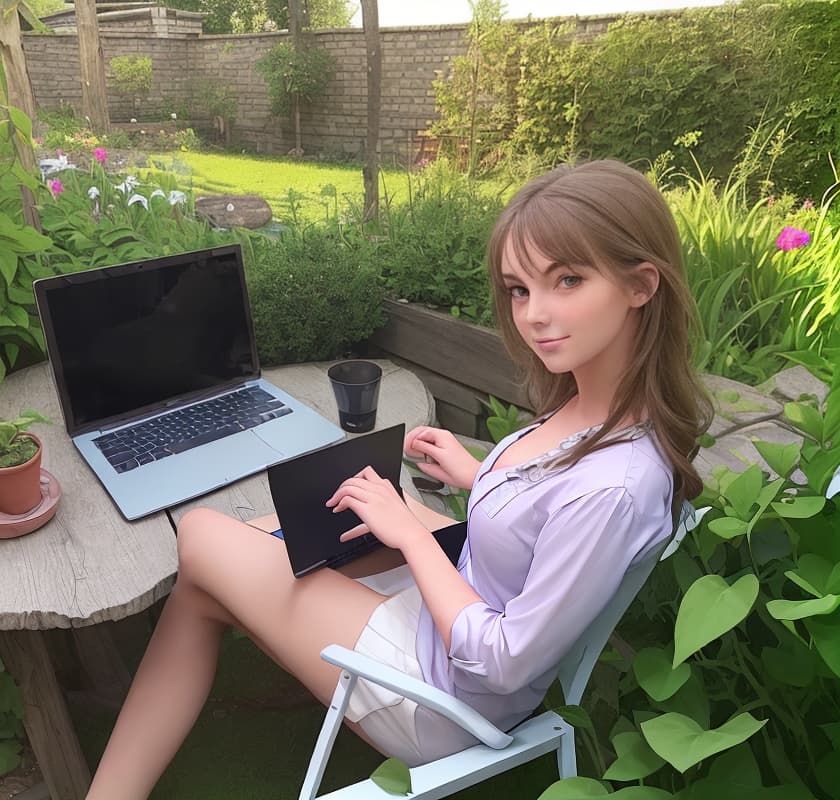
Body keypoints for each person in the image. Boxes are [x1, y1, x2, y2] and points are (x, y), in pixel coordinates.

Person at [86, 160, 711, 799]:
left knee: (200, 537)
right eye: (519, 290)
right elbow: (546, 521)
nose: (534, 315)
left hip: (446, 696)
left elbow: (500, 664)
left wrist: (411, 535)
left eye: (568, 280)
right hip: (462, 598)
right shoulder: (597, 410)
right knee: (253, 550)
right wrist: (479, 475)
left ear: (641, 285)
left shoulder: (616, 486)